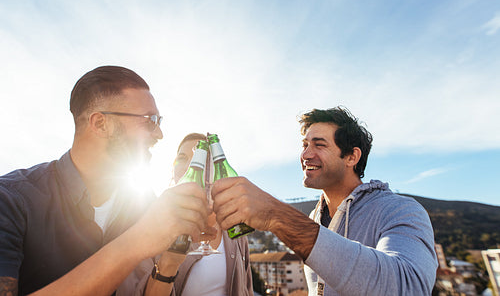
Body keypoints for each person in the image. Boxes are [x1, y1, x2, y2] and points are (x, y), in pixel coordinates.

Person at [0, 66, 211, 295]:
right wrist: (137, 240)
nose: (159, 134)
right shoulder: (11, 200)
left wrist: (169, 262)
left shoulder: (144, 204)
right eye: (150, 120)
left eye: (159, 120)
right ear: (100, 123)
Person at [212, 107, 438, 296]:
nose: (306, 155)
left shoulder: (400, 210)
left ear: (351, 157)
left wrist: (276, 214)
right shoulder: (315, 217)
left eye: (319, 145)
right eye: (305, 145)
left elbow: (408, 288)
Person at [141, 133, 253, 296]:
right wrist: (169, 263)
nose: (192, 166)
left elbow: (246, 289)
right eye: (182, 158)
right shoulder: (151, 223)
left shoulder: (234, 229)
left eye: (200, 158)